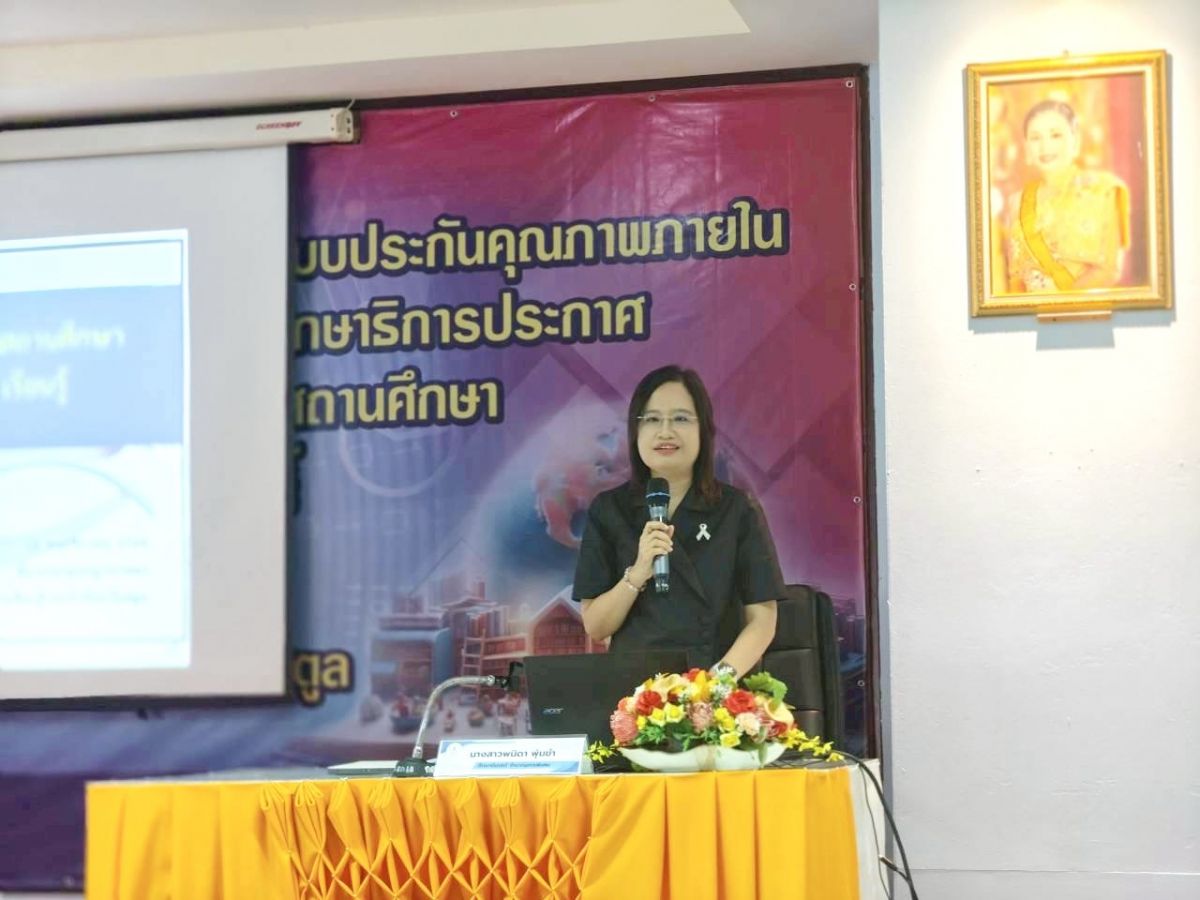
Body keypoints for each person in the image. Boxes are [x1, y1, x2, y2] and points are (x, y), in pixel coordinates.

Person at [572, 365, 784, 677]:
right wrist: (638, 572)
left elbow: (762, 621)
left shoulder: (737, 509)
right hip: (634, 693)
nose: (665, 432)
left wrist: (713, 686)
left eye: (681, 419)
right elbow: (596, 626)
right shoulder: (609, 510)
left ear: (704, 431)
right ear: (635, 431)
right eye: (652, 419)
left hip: (715, 686)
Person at [1003, 99, 1131, 294]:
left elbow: (1108, 271)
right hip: (1030, 311)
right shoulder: (1017, 201)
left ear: (1075, 141)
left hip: (1083, 309)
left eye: (1055, 135)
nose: (1045, 146)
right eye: (1035, 138)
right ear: (1026, 147)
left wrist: (1056, 301)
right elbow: (1016, 279)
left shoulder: (1102, 190)